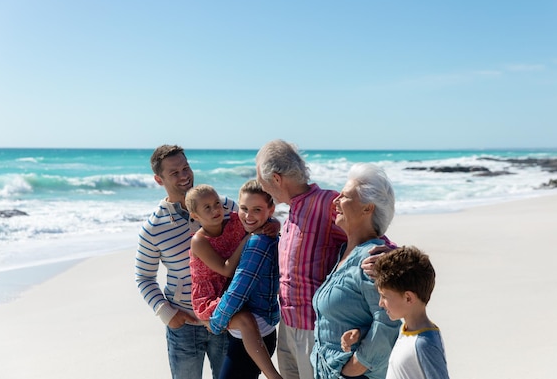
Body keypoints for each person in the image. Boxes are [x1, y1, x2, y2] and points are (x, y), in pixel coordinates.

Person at [255, 140, 393, 379]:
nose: (262, 189)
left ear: (276, 179)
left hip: (315, 330)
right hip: (287, 327)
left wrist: (392, 254)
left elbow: (373, 233)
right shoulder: (290, 214)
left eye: (262, 182)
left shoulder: (326, 202)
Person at [135, 145, 233, 379]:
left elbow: (253, 222)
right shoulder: (153, 228)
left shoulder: (222, 206)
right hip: (184, 326)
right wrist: (167, 313)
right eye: (174, 172)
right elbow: (144, 277)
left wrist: (271, 224)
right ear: (159, 180)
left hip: (226, 318)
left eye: (186, 168)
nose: (184, 176)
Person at [311, 162, 401, 379]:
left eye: (344, 196)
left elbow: (388, 322)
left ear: (367, 208)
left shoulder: (372, 259)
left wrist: (355, 367)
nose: (335, 201)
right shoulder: (344, 252)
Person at [186, 184, 283, 379]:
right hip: (210, 296)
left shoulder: (234, 221)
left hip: (228, 289)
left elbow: (261, 218)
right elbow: (226, 268)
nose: (215, 210)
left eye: (217, 204)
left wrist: (275, 224)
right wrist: (249, 238)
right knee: (245, 320)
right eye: (207, 208)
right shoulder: (199, 241)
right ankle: (273, 375)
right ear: (195, 216)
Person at [372, 246, 449, 379]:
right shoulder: (407, 329)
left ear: (408, 298)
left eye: (384, 296)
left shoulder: (424, 344)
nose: (380, 303)